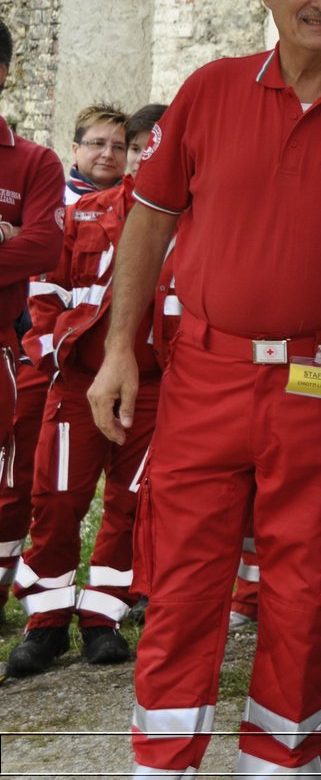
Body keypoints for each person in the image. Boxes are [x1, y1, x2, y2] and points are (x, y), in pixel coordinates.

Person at [87, 0, 321, 775]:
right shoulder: (210, 90)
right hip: (207, 378)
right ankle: (163, 763)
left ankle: (280, 766)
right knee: (182, 584)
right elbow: (149, 221)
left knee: (306, 594)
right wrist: (119, 351)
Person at [5, 103, 173, 678]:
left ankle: (103, 619)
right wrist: (54, 359)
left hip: (152, 388)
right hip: (78, 383)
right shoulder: (83, 214)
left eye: (155, 149)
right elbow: (45, 290)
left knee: (129, 503)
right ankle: (45, 623)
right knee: (56, 500)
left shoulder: (193, 223)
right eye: (136, 148)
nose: (142, 159)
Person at [0, 103, 126, 598]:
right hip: (38, 355)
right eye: (97, 143)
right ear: (75, 149)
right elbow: (41, 261)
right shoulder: (59, 196)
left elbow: (36, 246)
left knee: (81, 483)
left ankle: (104, 596)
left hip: (93, 366)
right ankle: (13, 579)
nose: (108, 154)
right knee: (19, 472)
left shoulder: (137, 206)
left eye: (120, 146)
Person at [0, 18, 67, 603]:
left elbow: (43, 246)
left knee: (5, 483)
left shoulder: (33, 163)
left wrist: (16, 239)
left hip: (2, 348)